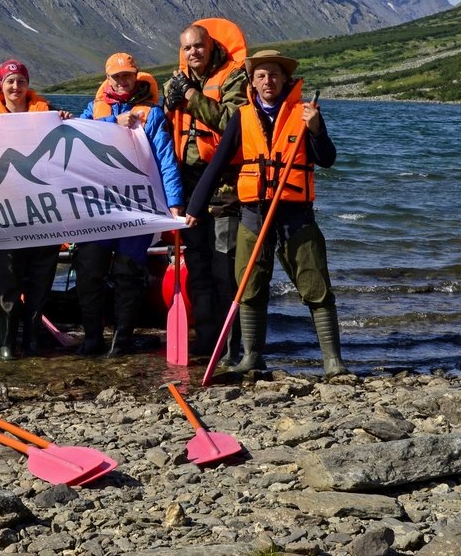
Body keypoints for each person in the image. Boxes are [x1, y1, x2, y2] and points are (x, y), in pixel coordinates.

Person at [184, 49, 349, 377]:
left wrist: (317, 130)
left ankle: (333, 362)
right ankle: (252, 357)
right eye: (260, 75)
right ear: (253, 82)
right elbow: (217, 165)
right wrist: (195, 207)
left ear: (285, 79)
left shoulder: (306, 114)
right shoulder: (242, 117)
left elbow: (327, 158)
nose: (267, 81)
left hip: (295, 215)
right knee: (250, 286)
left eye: (273, 75)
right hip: (253, 213)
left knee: (315, 284)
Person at [75, 52, 186, 356]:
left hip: (136, 207)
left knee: (127, 272)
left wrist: (175, 203)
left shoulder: (152, 114)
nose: (122, 82)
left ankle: (121, 341)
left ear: (136, 76)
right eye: (116, 77)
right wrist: (113, 122)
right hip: (98, 207)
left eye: (127, 75)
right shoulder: (93, 110)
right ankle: (92, 338)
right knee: (89, 270)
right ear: (107, 79)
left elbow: (166, 160)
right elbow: (74, 139)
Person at [162, 20, 249, 361]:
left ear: (210, 45)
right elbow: (163, 124)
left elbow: (232, 121)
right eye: (187, 48)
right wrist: (168, 104)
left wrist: (189, 96)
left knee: (222, 263)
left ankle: (231, 344)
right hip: (188, 179)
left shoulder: (233, 76)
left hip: (224, 180)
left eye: (198, 46)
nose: (193, 52)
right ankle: (205, 338)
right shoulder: (176, 80)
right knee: (196, 263)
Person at [0, 59, 72, 360]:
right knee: (8, 281)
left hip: (45, 213)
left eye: (20, 81)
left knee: (41, 280)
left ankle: (32, 340)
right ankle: (6, 342)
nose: (15, 87)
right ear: (0, 86)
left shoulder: (49, 115)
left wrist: (66, 122)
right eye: (9, 82)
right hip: (8, 214)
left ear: (28, 85)